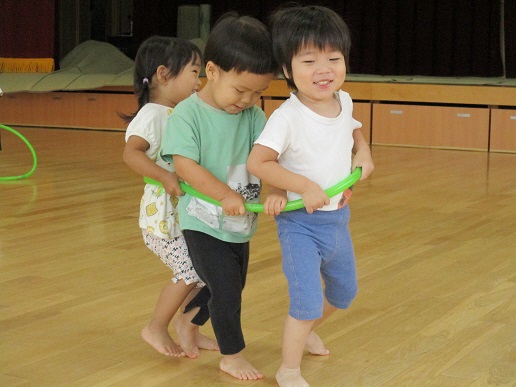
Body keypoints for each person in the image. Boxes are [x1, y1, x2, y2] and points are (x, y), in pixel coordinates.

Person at [247, 5, 375, 386]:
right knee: (304, 302)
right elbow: (259, 161)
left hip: (337, 218)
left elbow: (352, 130)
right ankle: (288, 369)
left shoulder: (345, 100)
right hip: (300, 222)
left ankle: (304, 332)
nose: (324, 69)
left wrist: (364, 151)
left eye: (333, 58)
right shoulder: (287, 117)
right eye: (309, 60)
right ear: (287, 70)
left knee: (344, 292)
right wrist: (303, 187)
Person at [160, 13, 277, 380]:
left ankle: (188, 323)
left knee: (229, 285)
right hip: (202, 220)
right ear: (212, 70)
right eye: (241, 90)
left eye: (258, 92)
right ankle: (233, 354)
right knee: (227, 289)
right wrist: (225, 193)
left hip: (239, 222)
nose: (249, 100)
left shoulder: (253, 116)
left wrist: (283, 189)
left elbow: (269, 157)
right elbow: (184, 166)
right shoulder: (188, 115)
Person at [122, 35, 218, 359]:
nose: (198, 80)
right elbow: (131, 154)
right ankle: (156, 326)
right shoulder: (152, 114)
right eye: (193, 71)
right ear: (164, 74)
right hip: (160, 217)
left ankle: (189, 327)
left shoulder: (178, 114)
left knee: (206, 270)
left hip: (182, 212)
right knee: (190, 270)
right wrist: (164, 175)